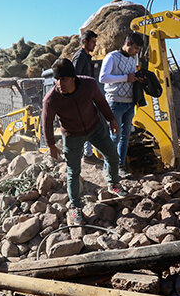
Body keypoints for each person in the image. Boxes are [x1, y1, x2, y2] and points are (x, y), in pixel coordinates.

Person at [42, 58, 129, 225]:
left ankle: (113, 184)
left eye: (64, 79)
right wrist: (51, 145)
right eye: (57, 79)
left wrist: (111, 120)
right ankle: (75, 207)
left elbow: (101, 102)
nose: (60, 83)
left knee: (112, 155)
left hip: (95, 128)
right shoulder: (51, 99)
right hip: (72, 136)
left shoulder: (88, 85)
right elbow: (46, 122)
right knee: (73, 172)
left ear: (73, 77)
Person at [99, 32, 144, 177]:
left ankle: (120, 166)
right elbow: (103, 78)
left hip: (129, 103)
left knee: (125, 137)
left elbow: (131, 78)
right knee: (114, 137)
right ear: (128, 43)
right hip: (115, 102)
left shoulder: (132, 60)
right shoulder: (111, 57)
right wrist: (125, 78)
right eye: (136, 48)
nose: (137, 52)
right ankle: (108, 169)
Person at [72, 30, 101, 164]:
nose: (95, 45)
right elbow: (75, 79)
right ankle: (87, 154)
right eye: (93, 42)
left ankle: (89, 153)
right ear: (85, 42)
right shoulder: (79, 57)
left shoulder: (86, 57)